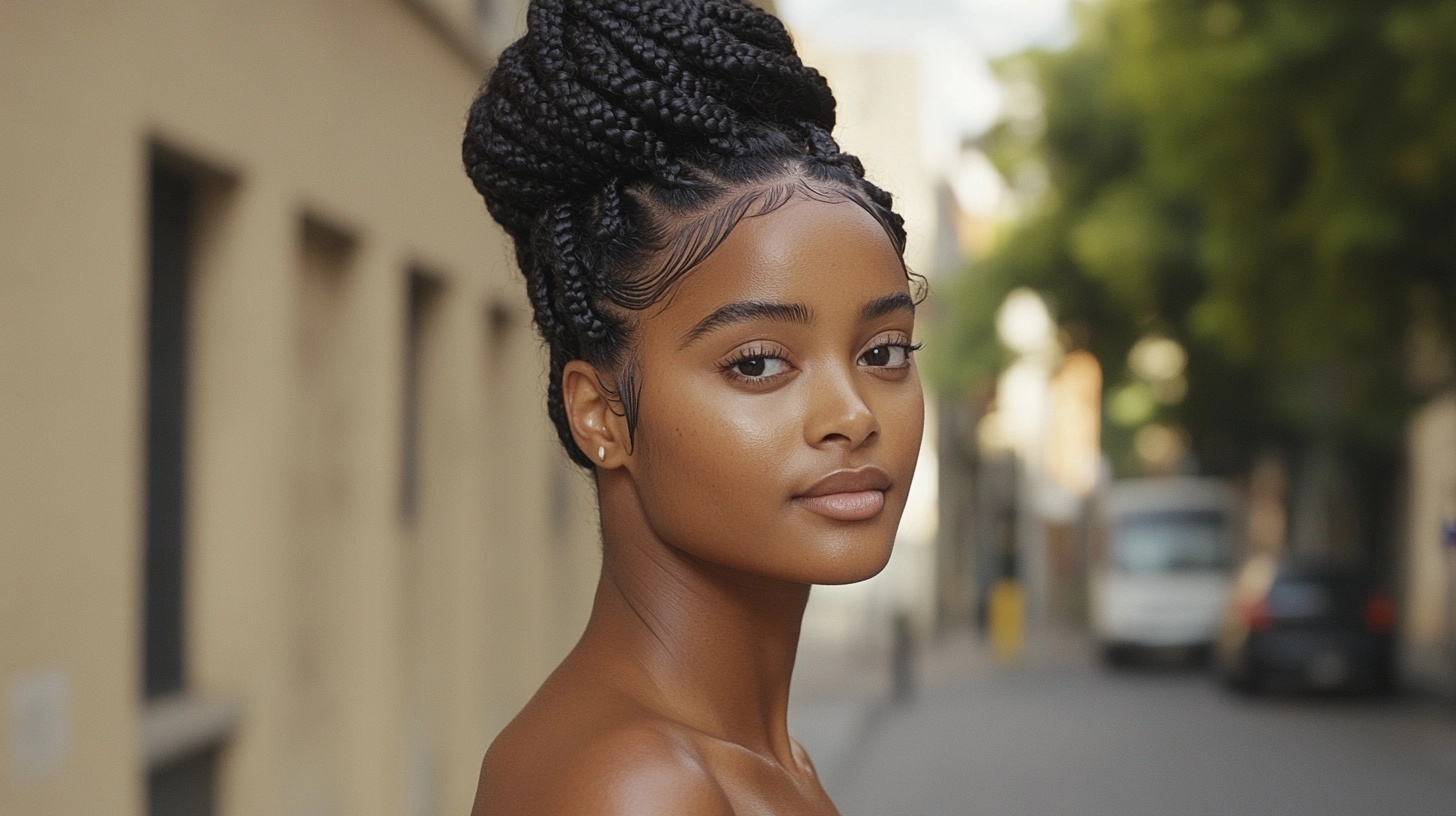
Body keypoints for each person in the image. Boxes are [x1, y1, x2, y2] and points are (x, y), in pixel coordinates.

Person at [461, 1, 924, 812]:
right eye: (757, 363)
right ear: (601, 413)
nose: (853, 414)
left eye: (883, 352)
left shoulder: (765, 765)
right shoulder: (639, 787)